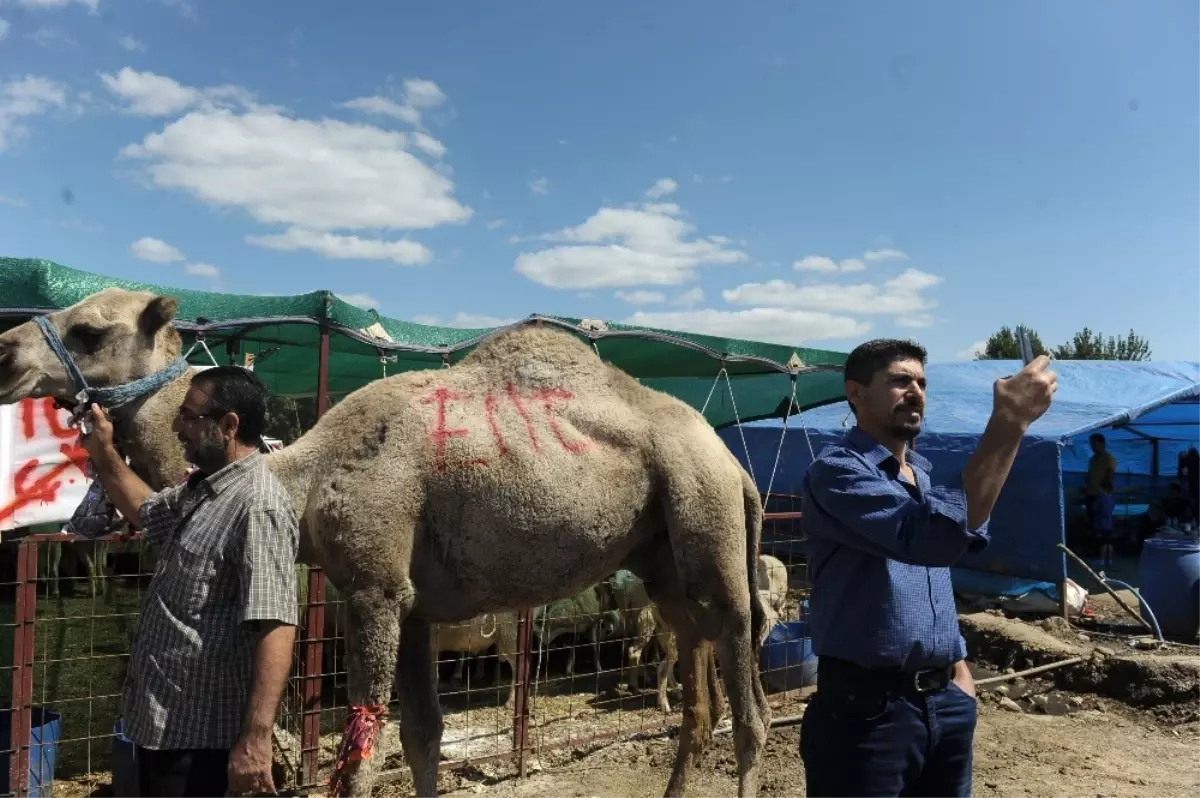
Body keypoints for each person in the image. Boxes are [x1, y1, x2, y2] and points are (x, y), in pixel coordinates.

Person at [799, 339, 1056, 797]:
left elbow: (945, 558)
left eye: (921, 382)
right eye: (899, 380)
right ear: (856, 392)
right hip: (867, 711)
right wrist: (1009, 421)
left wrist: (957, 667)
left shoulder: (922, 475)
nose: (915, 391)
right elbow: (930, 541)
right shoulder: (837, 472)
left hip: (944, 701)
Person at [79, 365, 299, 798]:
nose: (178, 429)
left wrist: (256, 740)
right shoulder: (201, 490)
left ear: (229, 425)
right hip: (164, 726)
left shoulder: (259, 506)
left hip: (203, 742)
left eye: (189, 417)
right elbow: (146, 512)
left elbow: (274, 625)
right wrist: (103, 452)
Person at [1085, 433, 1116, 528]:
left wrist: (1105, 491)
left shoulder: (1108, 459)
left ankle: (1105, 536)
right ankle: (1095, 535)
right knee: (1092, 520)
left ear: (1102, 444)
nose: (1092, 447)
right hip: (1090, 494)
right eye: (1091, 444)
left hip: (1102, 495)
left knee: (1103, 521)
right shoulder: (1092, 460)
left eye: (1094, 444)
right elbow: (1090, 474)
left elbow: (1109, 475)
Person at [1092, 478, 1116, 568]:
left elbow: (1094, 508)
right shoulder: (1111, 499)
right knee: (1109, 543)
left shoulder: (1100, 498)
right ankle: (1110, 560)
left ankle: (1102, 561)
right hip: (1109, 524)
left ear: (1104, 489)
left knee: (1103, 543)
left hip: (1101, 525)